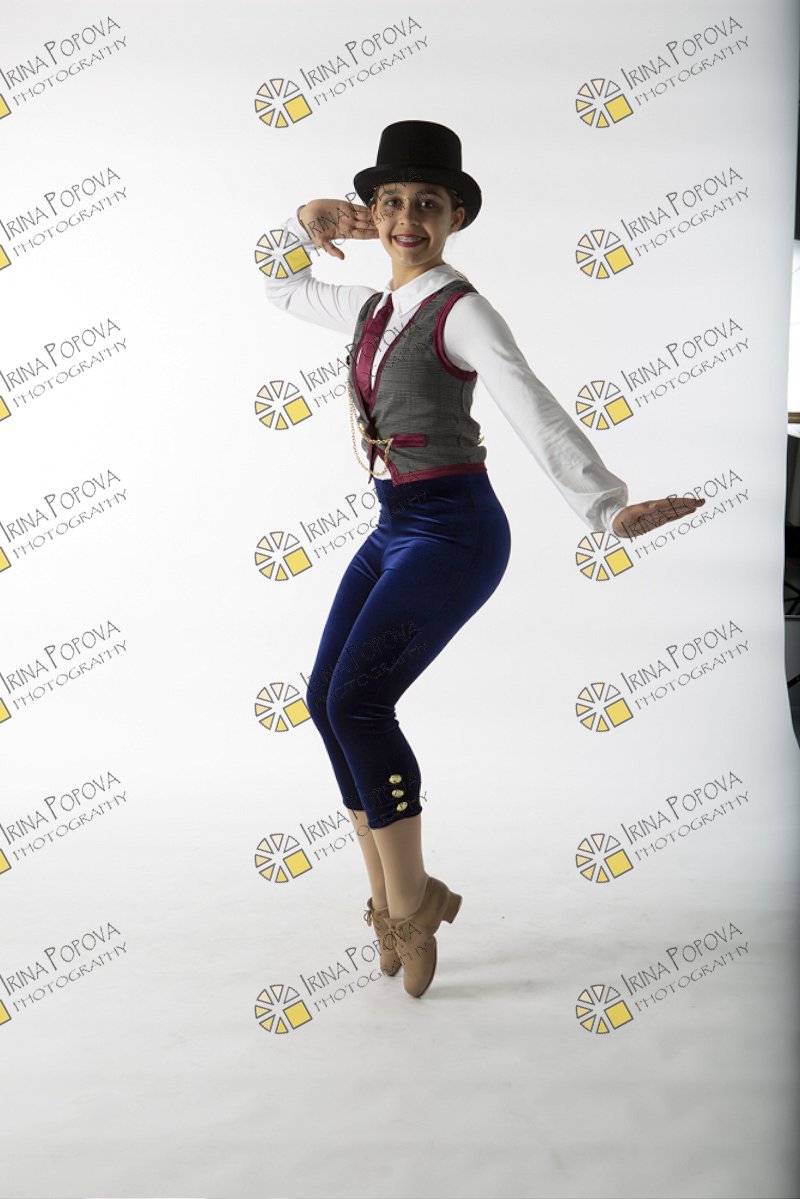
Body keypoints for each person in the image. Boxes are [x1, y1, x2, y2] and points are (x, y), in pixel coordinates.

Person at [261, 120, 705, 999]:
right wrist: (301, 223)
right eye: (391, 202)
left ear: (455, 216)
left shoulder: (460, 311)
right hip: (395, 524)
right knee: (325, 699)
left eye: (427, 203)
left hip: (456, 531)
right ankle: (390, 899)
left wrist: (605, 505)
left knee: (359, 700)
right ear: (371, 213)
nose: (406, 219)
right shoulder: (370, 308)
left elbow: (529, 401)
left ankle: (414, 904)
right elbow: (279, 285)